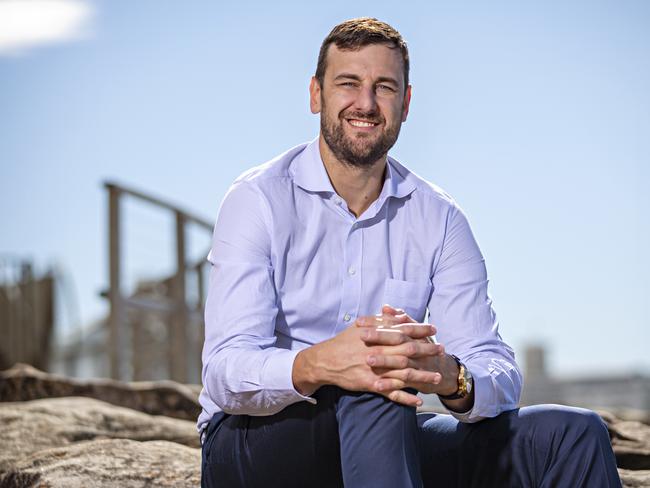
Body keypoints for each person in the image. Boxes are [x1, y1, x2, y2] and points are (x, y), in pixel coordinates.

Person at [198, 17, 621, 488]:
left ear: (406, 102)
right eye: (348, 83)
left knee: (572, 433)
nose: (366, 103)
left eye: (384, 87)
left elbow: (493, 363)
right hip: (259, 440)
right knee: (378, 385)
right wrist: (320, 363)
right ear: (316, 94)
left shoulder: (440, 218)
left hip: (387, 435)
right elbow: (224, 370)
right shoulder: (258, 199)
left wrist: (448, 376)